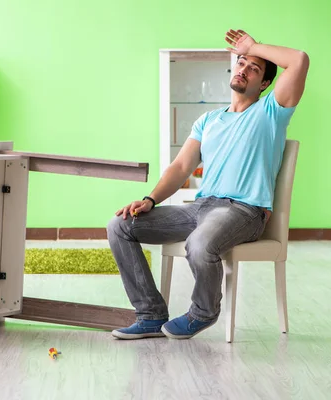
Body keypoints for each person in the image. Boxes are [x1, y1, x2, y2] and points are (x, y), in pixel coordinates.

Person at [107, 29, 309, 340]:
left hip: (245, 211)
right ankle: (150, 314)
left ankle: (203, 312)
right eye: (240, 63)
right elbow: (180, 167)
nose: (242, 69)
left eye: (253, 68)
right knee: (120, 225)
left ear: (265, 83)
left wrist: (253, 46)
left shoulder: (271, 112)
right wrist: (151, 199)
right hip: (201, 207)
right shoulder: (209, 120)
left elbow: (299, 60)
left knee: (199, 244)